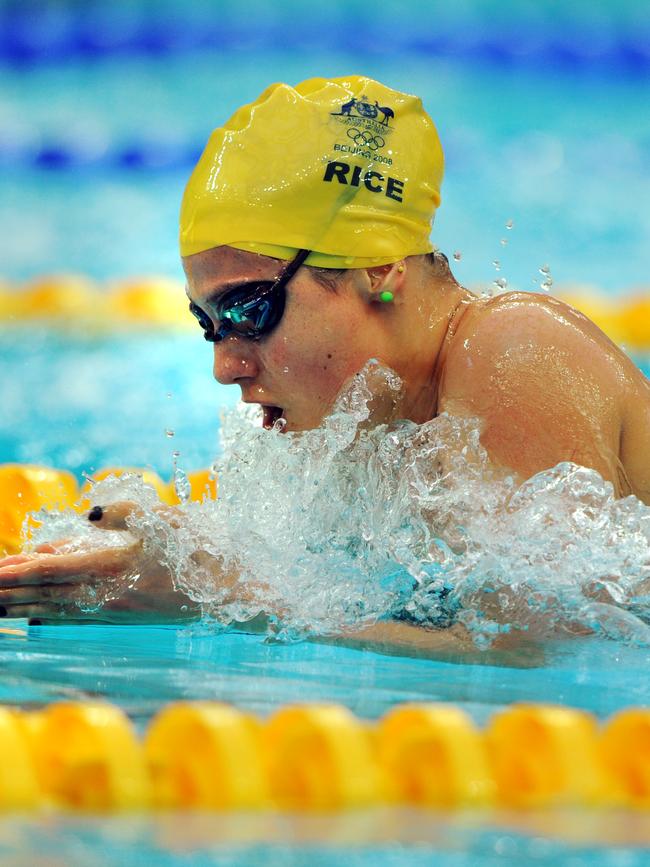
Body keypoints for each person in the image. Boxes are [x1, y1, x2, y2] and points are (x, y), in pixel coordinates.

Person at [0, 76, 648, 653]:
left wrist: (228, 603)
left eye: (250, 308)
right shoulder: (374, 422)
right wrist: (182, 555)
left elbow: (542, 655)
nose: (225, 366)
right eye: (209, 325)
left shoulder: (514, 351)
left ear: (378, 268)